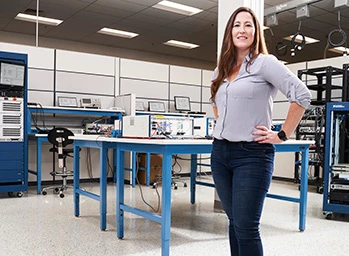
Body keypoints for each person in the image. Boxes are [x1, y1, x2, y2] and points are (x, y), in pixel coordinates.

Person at [210, 6, 311, 256]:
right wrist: (226, 123)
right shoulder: (221, 69)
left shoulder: (265, 63)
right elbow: (215, 104)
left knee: (246, 227)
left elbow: (302, 95)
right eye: (237, 25)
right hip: (220, 153)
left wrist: (282, 134)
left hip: (252, 155)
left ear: (256, 32)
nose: (242, 30)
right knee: (234, 223)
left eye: (248, 25)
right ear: (229, 32)